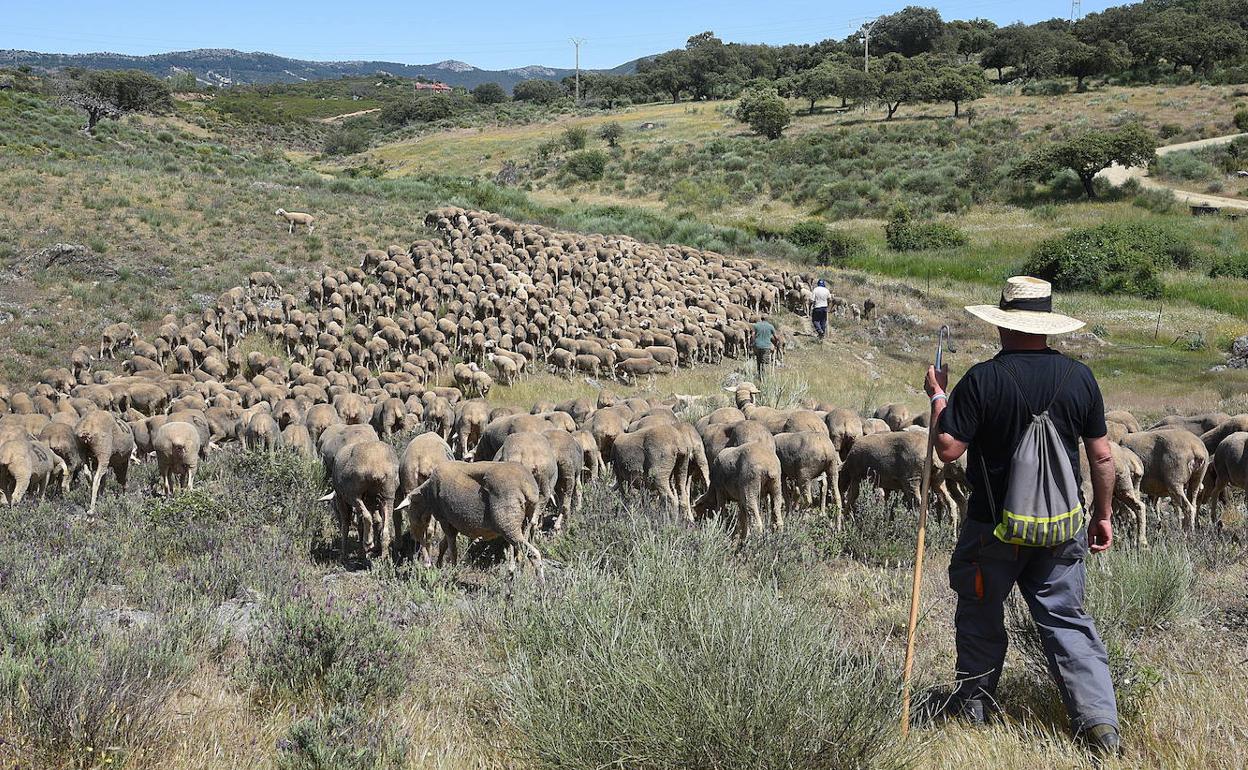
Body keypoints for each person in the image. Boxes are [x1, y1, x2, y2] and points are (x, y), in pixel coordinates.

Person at [923, 276, 1121, 757]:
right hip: (1061, 527)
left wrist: (936, 396)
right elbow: (1101, 457)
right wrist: (1103, 514)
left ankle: (975, 704)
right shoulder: (1080, 378)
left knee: (979, 611)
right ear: (1047, 325)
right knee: (1066, 620)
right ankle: (1099, 725)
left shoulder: (982, 379)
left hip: (993, 528)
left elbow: (947, 449)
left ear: (1002, 324)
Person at [751, 314, 777, 381]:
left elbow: (753, 335)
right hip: (766, 346)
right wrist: (775, 344)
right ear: (767, 319)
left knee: (758, 361)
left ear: (761, 318)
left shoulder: (756, 325)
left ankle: (759, 375)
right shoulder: (771, 326)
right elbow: (776, 337)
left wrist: (753, 343)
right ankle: (763, 378)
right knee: (764, 362)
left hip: (757, 346)